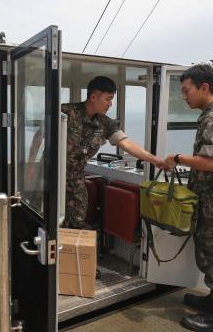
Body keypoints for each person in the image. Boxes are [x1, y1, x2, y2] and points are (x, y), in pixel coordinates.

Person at [164, 64, 213, 332]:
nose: (184, 96)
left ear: (204, 88)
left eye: (187, 91)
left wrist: (177, 158)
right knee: (211, 253)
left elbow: (211, 162)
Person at [59, 76, 167, 230]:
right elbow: (39, 136)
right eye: (108, 99)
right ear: (93, 96)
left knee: (77, 221)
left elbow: (126, 143)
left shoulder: (105, 123)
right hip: (53, 177)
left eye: (112, 100)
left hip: (75, 179)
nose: (110, 104)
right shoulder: (66, 112)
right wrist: (30, 166)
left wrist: (154, 160)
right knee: (49, 220)